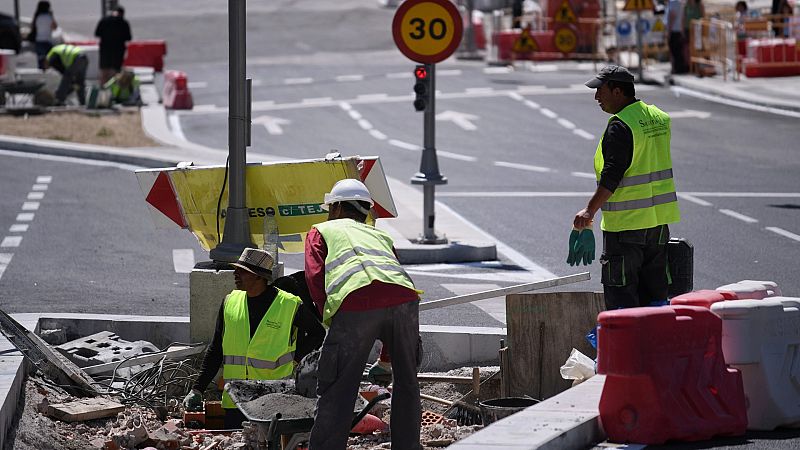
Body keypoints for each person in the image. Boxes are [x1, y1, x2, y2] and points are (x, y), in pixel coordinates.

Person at [305, 179, 422, 450]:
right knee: (407, 384)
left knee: (339, 387)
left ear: (334, 208)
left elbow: (315, 278)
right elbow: (389, 285)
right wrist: (386, 359)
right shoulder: (379, 235)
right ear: (365, 211)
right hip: (405, 299)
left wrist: (333, 322)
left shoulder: (322, 230)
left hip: (356, 301)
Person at [572, 65, 681, 310]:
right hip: (657, 226)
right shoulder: (658, 118)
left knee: (623, 300)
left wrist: (589, 211)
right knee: (655, 298)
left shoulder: (620, 126)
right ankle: (657, 346)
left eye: (601, 90)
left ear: (618, 91)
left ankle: (627, 348)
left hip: (626, 228)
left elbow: (612, 176)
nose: (597, 97)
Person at [183, 247, 325, 428]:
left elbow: (318, 333)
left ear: (259, 276)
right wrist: (197, 389)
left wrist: (296, 359)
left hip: (272, 400)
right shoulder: (230, 302)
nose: (235, 274)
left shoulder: (289, 305)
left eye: (242, 271)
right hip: (236, 399)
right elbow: (216, 350)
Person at [94, 5, 132, 84]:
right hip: (118, 50)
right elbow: (128, 38)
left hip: (105, 49)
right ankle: (113, 90)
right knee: (115, 72)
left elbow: (97, 34)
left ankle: (103, 90)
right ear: (122, 13)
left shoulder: (104, 20)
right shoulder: (124, 22)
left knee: (104, 70)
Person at [29, 1, 57, 70]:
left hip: (39, 41)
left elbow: (32, 27)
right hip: (48, 41)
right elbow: (55, 27)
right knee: (49, 62)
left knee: (41, 62)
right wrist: (52, 16)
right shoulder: (49, 17)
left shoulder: (37, 17)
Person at [666, 0, 688, 74]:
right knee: (679, 50)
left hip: (674, 30)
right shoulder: (680, 3)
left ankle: (676, 69)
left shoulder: (673, 3)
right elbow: (683, 17)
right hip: (679, 30)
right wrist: (682, 30)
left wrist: (669, 31)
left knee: (674, 50)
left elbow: (672, 16)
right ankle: (680, 68)